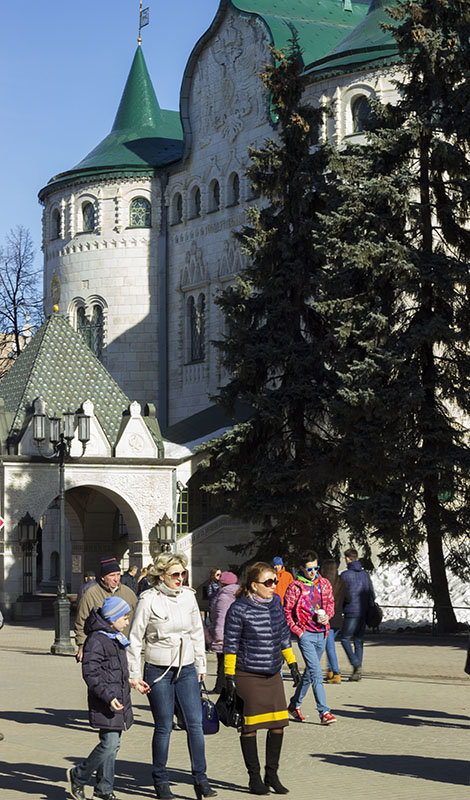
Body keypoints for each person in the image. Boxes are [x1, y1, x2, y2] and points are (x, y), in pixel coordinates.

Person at [127, 551, 217, 800]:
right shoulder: (149, 599)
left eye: (183, 573)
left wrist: (201, 665)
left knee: (195, 725)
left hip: (187, 667)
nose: (180, 578)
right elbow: (135, 639)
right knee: (164, 726)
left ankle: (201, 779)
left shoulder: (188, 597)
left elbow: (197, 633)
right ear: (161, 575)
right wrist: (134, 674)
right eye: (175, 574)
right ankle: (161, 780)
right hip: (158, 670)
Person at [223, 561, 301, 795]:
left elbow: (283, 635)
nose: (274, 585)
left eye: (275, 581)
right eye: (268, 582)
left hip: (272, 672)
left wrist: (293, 663)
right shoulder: (239, 609)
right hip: (248, 673)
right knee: (251, 727)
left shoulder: (276, 604)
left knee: (278, 725)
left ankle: (272, 774)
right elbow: (231, 644)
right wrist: (229, 676)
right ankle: (254, 778)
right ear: (254, 585)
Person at [68, 596, 150, 800]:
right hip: (105, 701)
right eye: (124, 617)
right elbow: (91, 673)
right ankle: (79, 775)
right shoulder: (97, 640)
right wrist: (108, 696)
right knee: (110, 744)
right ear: (112, 618)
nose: (127, 621)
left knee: (112, 745)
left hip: (117, 699)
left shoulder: (114, 637)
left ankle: (104, 788)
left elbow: (115, 672)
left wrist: (133, 682)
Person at [283, 550, 336, 725]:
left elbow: (330, 605)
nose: (313, 572)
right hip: (306, 635)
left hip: (322, 633)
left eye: (316, 568)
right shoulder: (295, 587)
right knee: (316, 674)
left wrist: (327, 616)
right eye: (309, 569)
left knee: (309, 673)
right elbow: (287, 612)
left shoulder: (325, 584)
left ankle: (294, 705)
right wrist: (298, 632)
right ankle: (324, 711)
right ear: (301, 569)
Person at [75, 556, 137, 662]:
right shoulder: (91, 594)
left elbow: (138, 617)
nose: (116, 579)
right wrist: (82, 645)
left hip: (126, 647)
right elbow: (81, 622)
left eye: (118, 574)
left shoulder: (128, 593)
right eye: (112, 575)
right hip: (101, 649)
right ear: (103, 577)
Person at [340, 547, 376, 681]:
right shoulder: (365, 574)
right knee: (359, 641)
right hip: (363, 611)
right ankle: (357, 672)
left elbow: (341, 594)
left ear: (348, 559)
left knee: (345, 639)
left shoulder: (345, 575)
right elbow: (371, 593)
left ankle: (355, 664)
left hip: (351, 611)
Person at [320, 559, 351, 684]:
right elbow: (349, 599)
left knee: (330, 647)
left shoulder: (323, 584)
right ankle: (331, 672)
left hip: (327, 619)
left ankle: (336, 672)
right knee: (329, 646)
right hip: (338, 619)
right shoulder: (341, 582)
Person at [208, 571, 238, 694]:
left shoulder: (224, 596)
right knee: (231, 662)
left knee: (222, 662)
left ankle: (221, 687)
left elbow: (221, 617)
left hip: (225, 633)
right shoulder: (238, 593)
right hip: (236, 633)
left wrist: (218, 637)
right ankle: (226, 686)